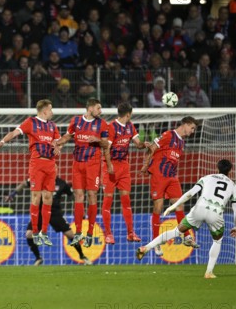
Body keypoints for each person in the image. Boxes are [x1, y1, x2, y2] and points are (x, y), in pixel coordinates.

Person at [137, 159, 236, 279]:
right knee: (217, 241)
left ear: (217, 167)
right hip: (216, 213)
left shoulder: (207, 177)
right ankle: (209, 272)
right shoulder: (233, 186)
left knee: (176, 231)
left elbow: (190, 193)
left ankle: (146, 247)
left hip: (199, 208)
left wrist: (173, 206)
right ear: (230, 171)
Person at [0, 100, 60, 247]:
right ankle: (35, 231)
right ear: (44, 111)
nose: (52, 112)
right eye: (50, 109)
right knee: (36, 197)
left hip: (50, 164)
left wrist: (57, 146)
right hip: (37, 163)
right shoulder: (31, 122)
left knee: (48, 197)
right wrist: (2, 142)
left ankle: (44, 232)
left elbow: (58, 141)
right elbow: (15, 132)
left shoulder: (52, 126)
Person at [55, 99, 112, 248]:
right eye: (98, 108)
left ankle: (90, 233)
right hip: (77, 164)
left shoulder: (103, 124)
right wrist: (56, 143)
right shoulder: (76, 121)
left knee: (92, 196)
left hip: (93, 165)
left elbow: (106, 144)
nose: (100, 111)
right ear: (90, 108)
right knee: (78, 196)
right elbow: (68, 136)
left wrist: (98, 140)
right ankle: (79, 232)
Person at [140, 117, 200, 256]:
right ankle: (156, 243)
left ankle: (186, 237)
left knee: (179, 205)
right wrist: (145, 165)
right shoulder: (168, 135)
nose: (192, 132)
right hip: (159, 175)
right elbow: (152, 148)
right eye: (192, 128)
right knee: (158, 207)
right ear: (185, 124)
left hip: (172, 177)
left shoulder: (181, 142)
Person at [5, 171, 91, 266]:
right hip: (40, 212)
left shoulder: (62, 183)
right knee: (29, 234)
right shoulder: (40, 180)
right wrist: (12, 194)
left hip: (55, 213)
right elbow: (24, 183)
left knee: (70, 234)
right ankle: (38, 258)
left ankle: (82, 256)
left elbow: (72, 197)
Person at [101, 102, 147, 244]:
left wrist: (144, 144)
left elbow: (137, 144)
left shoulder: (130, 126)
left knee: (126, 200)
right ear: (128, 114)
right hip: (110, 165)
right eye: (131, 114)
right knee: (108, 200)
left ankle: (130, 233)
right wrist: (109, 166)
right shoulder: (111, 127)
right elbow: (106, 149)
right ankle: (108, 234)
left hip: (124, 166)